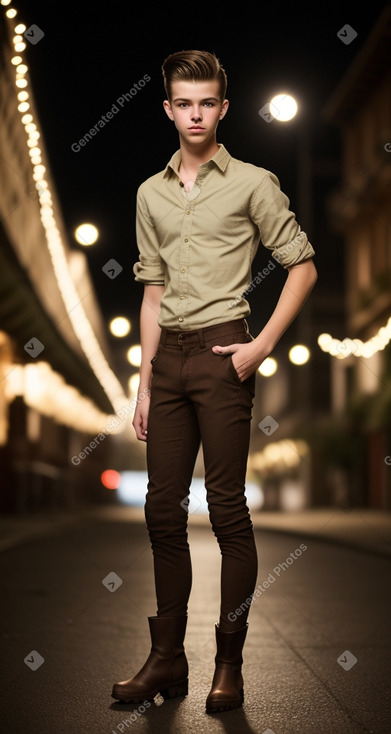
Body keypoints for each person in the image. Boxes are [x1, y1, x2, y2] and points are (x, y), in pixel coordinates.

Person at [112, 49, 317, 714]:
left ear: (222, 109)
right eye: (183, 102)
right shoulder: (149, 192)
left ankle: (228, 664)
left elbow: (302, 266)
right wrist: (144, 384)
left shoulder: (254, 183)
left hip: (223, 355)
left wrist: (258, 346)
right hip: (165, 364)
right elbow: (151, 292)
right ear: (168, 108)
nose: (195, 113)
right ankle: (166, 659)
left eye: (207, 102)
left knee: (227, 510)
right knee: (160, 511)